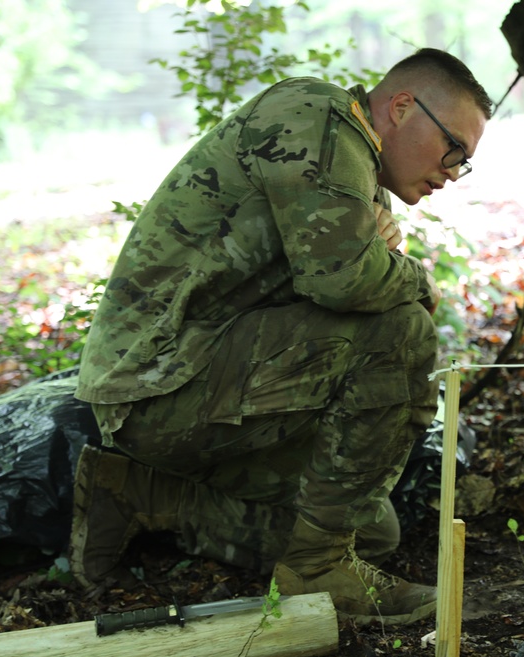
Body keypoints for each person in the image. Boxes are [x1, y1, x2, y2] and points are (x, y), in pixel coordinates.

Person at [69, 48, 492, 626]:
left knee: (371, 528)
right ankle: (315, 569)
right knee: (402, 331)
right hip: (162, 379)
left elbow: (332, 281)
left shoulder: (354, 161)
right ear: (400, 107)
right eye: (454, 149)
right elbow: (344, 280)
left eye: (463, 162)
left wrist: (375, 257)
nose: (452, 171)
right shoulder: (317, 116)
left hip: (197, 380)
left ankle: (142, 497)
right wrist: (413, 276)